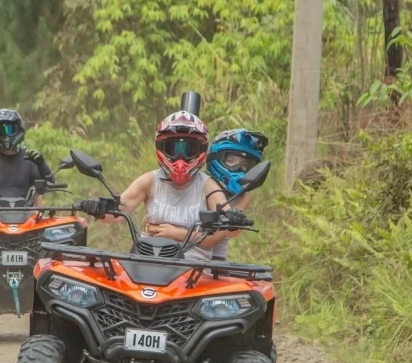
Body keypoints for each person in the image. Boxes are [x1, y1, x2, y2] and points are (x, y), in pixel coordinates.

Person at [76, 110, 233, 261]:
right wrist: (99, 210)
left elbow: (223, 233)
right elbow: (117, 212)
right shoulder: (150, 180)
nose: (180, 158)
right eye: (173, 148)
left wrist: (177, 233)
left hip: (193, 271)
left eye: (189, 149)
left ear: (201, 150)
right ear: (161, 148)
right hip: (147, 262)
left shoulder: (207, 186)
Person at [205, 128, 269, 260]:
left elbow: (229, 233)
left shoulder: (243, 197)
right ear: (217, 157)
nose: (238, 169)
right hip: (179, 254)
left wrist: (177, 233)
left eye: (244, 165)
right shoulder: (200, 184)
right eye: (232, 161)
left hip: (214, 262)